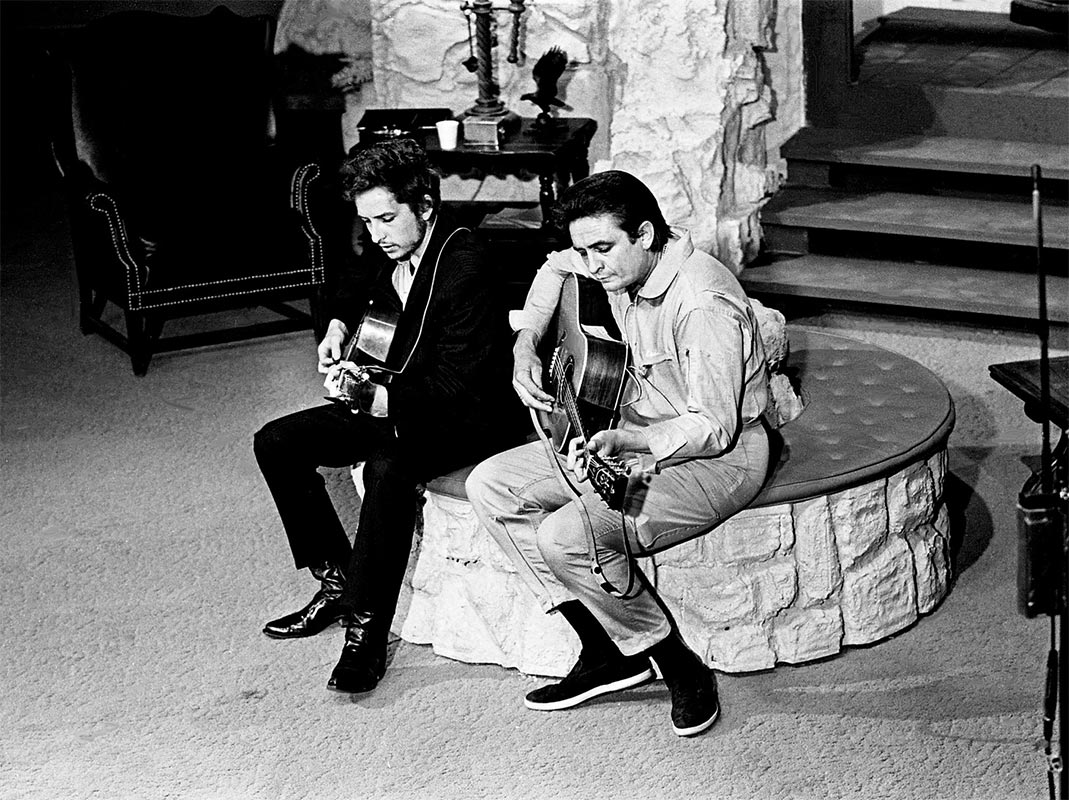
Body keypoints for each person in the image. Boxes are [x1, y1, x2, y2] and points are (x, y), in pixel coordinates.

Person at [465, 170, 771, 737]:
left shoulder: (701, 302)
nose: (594, 264)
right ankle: (606, 648)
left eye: (602, 249)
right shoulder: (614, 259)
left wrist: (633, 442)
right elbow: (555, 267)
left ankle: (678, 664)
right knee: (490, 484)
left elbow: (715, 427)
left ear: (647, 234)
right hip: (634, 435)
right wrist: (525, 346)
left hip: (715, 461)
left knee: (567, 535)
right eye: (588, 250)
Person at [254, 138, 520, 694]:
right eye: (367, 220)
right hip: (393, 391)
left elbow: (460, 389)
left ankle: (366, 631)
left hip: (463, 419)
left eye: (385, 217)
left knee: (387, 468)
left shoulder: (466, 265)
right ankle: (336, 579)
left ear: (425, 206)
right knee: (276, 441)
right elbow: (351, 285)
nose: (375, 233)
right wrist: (337, 326)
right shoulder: (392, 243)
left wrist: (376, 400)